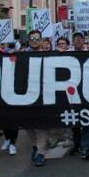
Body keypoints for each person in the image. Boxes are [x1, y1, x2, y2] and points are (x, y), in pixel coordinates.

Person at [25, 30, 52, 166]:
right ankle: (35, 145)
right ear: (29, 40)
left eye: (37, 38)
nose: (35, 40)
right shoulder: (23, 55)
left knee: (41, 124)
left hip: (43, 94)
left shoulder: (48, 55)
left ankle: (41, 152)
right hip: (27, 94)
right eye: (32, 38)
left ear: (41, 40)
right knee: (28, 124)